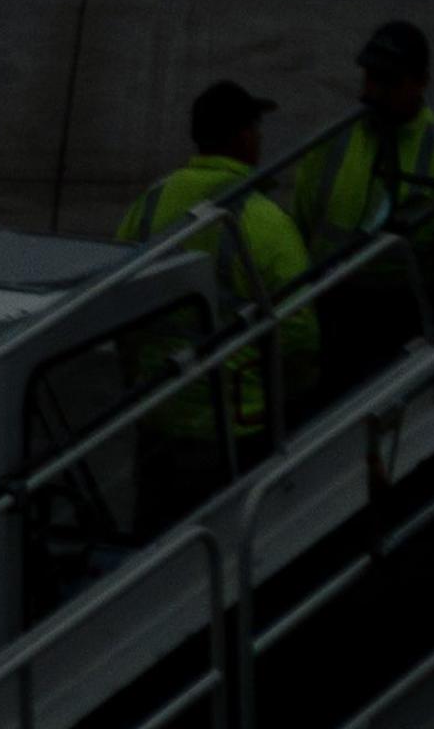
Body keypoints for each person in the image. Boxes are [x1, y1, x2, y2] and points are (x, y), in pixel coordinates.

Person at [115, 81, 320, 515]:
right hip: (232, 427)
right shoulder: (265, 221)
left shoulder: (148, 206)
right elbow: (300, 334)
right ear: (243, 137)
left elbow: (113, 305)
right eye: (256, 128)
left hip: (157, 414)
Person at [273, 24, 434, 388]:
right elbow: (299, 226)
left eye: (388, 80)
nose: (372, 91)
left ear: (421, 83)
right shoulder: (332, 144)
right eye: (369, 77)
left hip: (403, 323)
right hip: (330, 311)